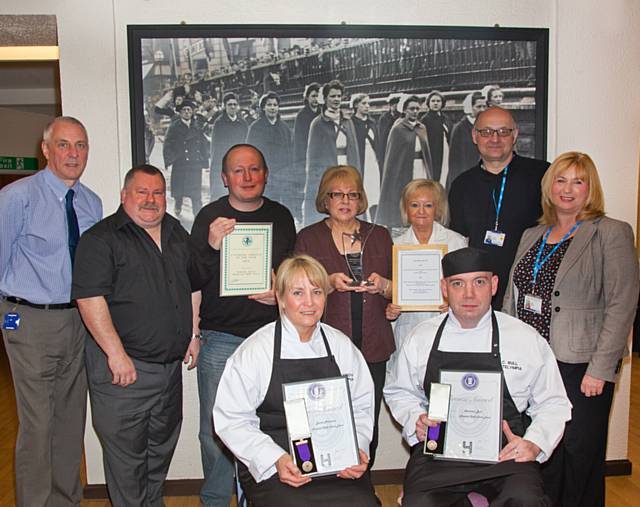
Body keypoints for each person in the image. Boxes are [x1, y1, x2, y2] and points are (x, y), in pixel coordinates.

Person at [502, 152, 639, 507]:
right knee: (544, 450)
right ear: (549, 187)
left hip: (581, 365)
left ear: (590, 189)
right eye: (561, 180)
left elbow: (622, 304)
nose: (568, 189)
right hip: (535, 364)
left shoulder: (611, 232)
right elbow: (513, 298)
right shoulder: (533, 234)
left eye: (578, 181)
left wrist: (601, 368)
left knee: (580, 454)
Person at [384, 247, 571, 506]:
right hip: (438, 452)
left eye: (479, 282)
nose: (469, 294)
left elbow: (554, 402)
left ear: (493, 285)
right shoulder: (421, 336)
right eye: (458, 283)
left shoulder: (524, 337)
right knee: (419, 502)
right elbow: (399, 391)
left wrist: (535, 442)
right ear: (444, 288)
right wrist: (415, 420)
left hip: (506, 452)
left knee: (525, 499)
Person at [71, 164, 200, 506]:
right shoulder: (101, 239)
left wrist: (193, 332)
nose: (150, 200)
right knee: (127, 464)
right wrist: (116, 354)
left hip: (168, 372)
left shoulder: (175, 232)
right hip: (123, 374)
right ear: (124, 195)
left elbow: (193, 286)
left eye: (157, 192)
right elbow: (89, 298)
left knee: (158, 455)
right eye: (142, 192)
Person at [213, 255, 379, 507]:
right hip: (277, 460)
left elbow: (361, 406)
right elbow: (231, 419)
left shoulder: (341, 346)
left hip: (335, 457)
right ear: (280, 298)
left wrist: (356, 448)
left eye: (317, 292)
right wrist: (274, 459)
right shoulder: (256, 350)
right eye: (298, 293)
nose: (309, 303)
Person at [0, 116, 101, 507]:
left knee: (70, 421)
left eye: (80, 145)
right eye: (63, 145)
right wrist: (11, 320)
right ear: (45, 149)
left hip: (78, 320)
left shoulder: (91, 202)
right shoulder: (16, 197)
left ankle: (65, 500)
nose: (73, 154)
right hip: (30, 321)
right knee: (38, 424)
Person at [190, 144, 296, 507]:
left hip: (271, 337)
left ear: (265, 174)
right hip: (220, 339)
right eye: (238, 171)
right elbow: (192, 278)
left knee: (268, 427)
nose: (247, 177)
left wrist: (279, 294)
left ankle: (262, 499)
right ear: (224, 178)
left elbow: (290, 274)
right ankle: (217, 501)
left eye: (254, 169)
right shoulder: (209, 216)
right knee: (214, 431)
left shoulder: (281, 216)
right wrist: (210, 246)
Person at [295, 165, 394, 466]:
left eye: (352, 194)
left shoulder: (379, 236)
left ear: (361, 199)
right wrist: (327, 282)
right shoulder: (308, 239)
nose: (345, 200)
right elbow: (295, 290)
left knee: (366, 425)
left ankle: (361, 483)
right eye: (337, 194)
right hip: (323, 348)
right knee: (322, 423)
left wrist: (386, 288)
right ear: (325, 200)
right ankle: (322, 486)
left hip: (373, 346)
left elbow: (399, 291)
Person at [448, 106, 549, 309]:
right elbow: (458, 242)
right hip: (478, 297)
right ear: (475, 136)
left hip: (531, 292)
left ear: (515, 135)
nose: (495, 139)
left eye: (503, 131)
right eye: (486, 132)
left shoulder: (543, 175)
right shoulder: (462, 185)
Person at [385, 180, 467, 352]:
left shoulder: (456, 242)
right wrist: (390, 307)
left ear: (438, 209)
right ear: (406, 209)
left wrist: (452, 303)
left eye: (428, 205)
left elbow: (466, 285)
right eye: (414, 205)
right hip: (407, 326)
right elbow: (389, 289)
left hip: (446, 321)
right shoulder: (394, 245)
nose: (421, 211)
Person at [303, 80, 360, 226]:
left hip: (346, 167)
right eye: (332, 96)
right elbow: (313, 156)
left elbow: (354, 151)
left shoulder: (348, 121)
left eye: (339, 96)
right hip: (327, 171)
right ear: (326, 99)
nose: (336, 99)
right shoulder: (318, 123)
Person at [377, 95, 433, 230]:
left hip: (420, 168)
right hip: (405, 170)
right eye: (411, 109)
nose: (415, 111)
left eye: (417, 109)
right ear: (404, 110)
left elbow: (427, 152)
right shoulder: (398, 129)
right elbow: (393, 159)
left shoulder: (422, 128)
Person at [163, 99, 209, 218]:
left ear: (192, 112)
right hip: (180, 163)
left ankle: (197, 215)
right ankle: (177, 207)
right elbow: (167, 144)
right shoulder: (174, 127)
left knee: (196, 193)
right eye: (184, 110)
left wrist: (204, 161)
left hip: (194, 165)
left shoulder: (197, 126)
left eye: (189, 110)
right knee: (179, 190)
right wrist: (169, 160)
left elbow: (203, 143)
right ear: (180, 112)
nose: (187, 112)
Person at [246, 92, 293, 210]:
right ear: (263, 107)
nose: (272, 108)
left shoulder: (284, 127)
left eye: (275, 105)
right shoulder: (255, 128)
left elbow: (290, 152)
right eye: (269, 105)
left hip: (283, 176)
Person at [209, 92, 248, 202]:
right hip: (223, 162)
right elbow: (216, 146)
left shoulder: (243, 123)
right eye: (229, 104)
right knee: (221, 191)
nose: (232, 107)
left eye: (235, 104)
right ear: (224, 106)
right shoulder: (219, 123)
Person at [292, 83, 321, 224]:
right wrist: (301, 161)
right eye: (313, 96)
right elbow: (299, 141)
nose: (315, 99)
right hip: (305, 157)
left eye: (317, 96)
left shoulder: (322, 113)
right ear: (307, 98)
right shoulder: (302, 116)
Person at [445, 91, 486, 191]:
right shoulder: (459, 128)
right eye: (478, 107)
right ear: (470, 108)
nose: (482, 110)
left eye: (484, 107)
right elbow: (454, 160)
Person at [350, 93, 382, 217]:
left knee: (373, 189)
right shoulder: (351, 123)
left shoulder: (372, 122)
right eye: (364, 103)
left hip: (372, 160)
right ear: (356, 105)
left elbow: (377, 142)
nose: (367, 106)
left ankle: (373, 218)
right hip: (360, 160)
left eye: (368, 103)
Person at [419, 90, 453, 186]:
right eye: (433, 101)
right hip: (433, 152)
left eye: (438, 101)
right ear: (428, 103)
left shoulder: (445, 118)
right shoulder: (425, 119)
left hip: (445, 150)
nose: (435, 103)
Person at [378, 92, 402, 163]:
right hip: (387, 145)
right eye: (394, 104)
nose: (396, 106)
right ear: (390, 105)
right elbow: (382, 135)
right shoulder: (384, 118)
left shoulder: (401, 116)